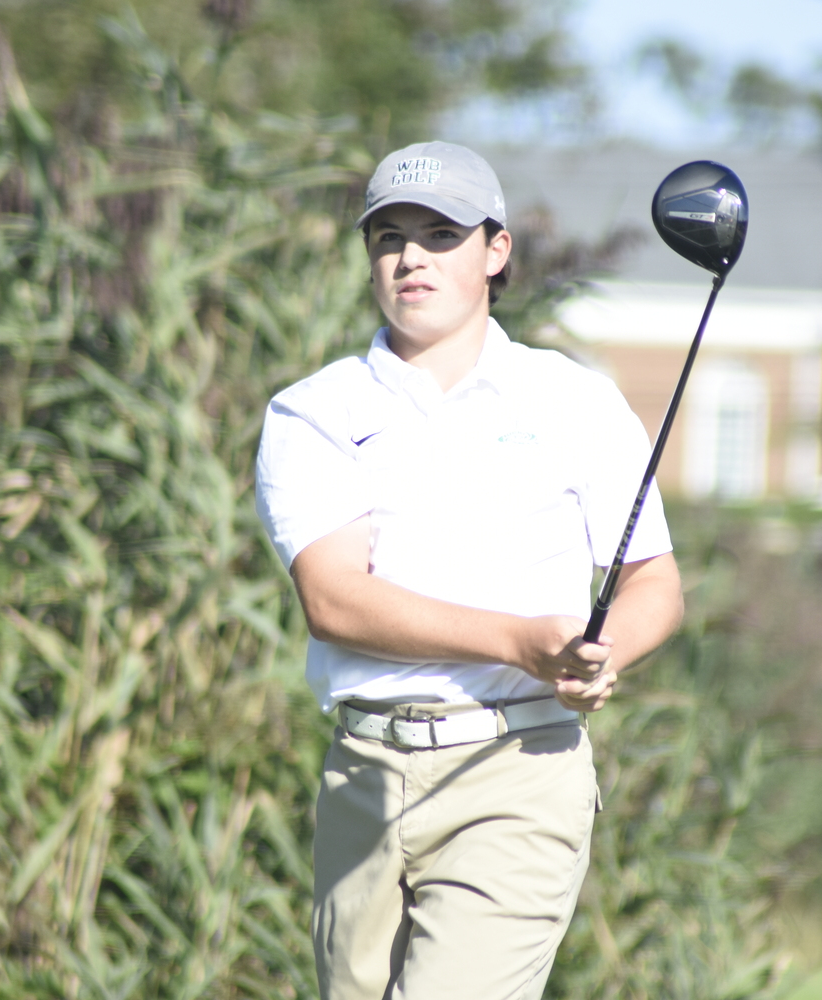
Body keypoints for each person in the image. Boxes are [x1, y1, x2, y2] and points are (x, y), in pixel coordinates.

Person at [255, 141, 684, 1000]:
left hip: (517, 769)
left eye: (441, 234)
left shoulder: (574, 399)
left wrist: (605, 656)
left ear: (496, 251)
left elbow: (653, 582)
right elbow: (335, 601)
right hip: (364, 776)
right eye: (389, 237)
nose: (411, 257)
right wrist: (521, 641)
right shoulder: (314, 411)